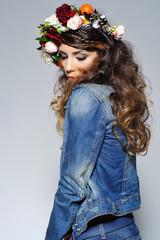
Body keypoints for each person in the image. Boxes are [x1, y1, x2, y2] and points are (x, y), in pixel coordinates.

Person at [36, 3, 151, 240]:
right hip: (125, 230)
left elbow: (72, 184)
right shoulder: (117, 96)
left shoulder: (86, 97)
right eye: (63, 56)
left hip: (97, 233)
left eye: (80, 57)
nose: (68, 66)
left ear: (104, 55)